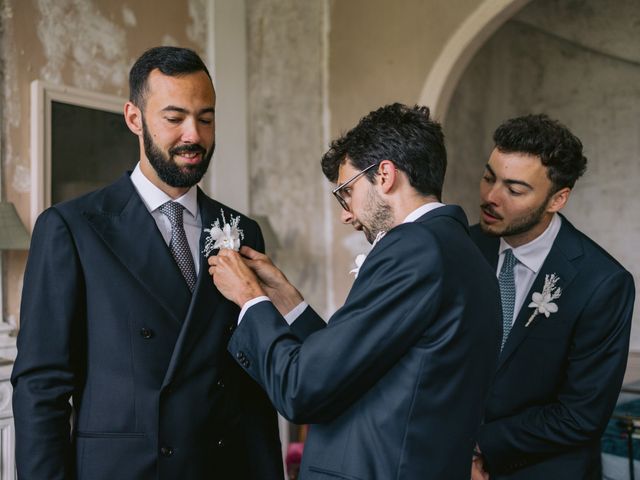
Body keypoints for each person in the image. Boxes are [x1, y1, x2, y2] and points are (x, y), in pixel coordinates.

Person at [11, 46, 283, 480]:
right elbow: (41, 388)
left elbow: (252, 388)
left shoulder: (241, 229)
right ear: (134, 118)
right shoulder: (72, 228)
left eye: (206, 118)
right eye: (174, 118)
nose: (193, 135)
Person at [209, 103, 502, 479]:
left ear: (384, 175)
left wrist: (250, 298)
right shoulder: (461, 251)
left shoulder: (414, 250)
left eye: (346, 192)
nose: (346, 213)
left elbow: (302, 389)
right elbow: (358, 364)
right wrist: (288, 301)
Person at [470, 114, 635, 479]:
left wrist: (479, 449)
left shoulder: (601, 283)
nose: (491, 197)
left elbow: (580, 415)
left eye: (514, 190)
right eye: (488, 177)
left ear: (557, 199)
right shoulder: (462, 248)